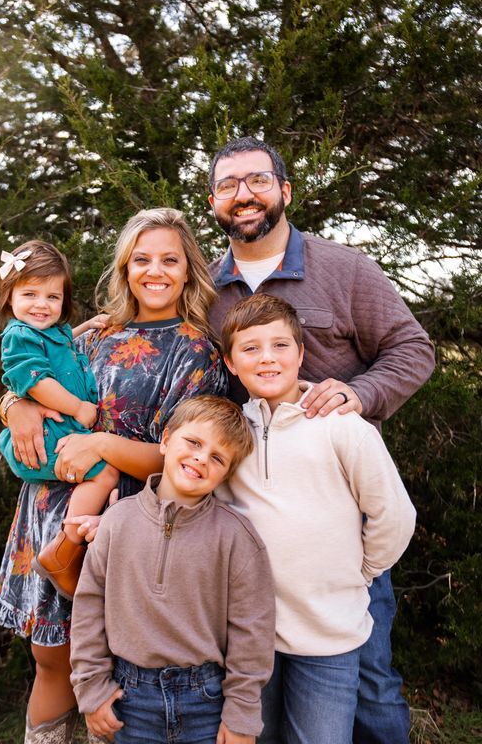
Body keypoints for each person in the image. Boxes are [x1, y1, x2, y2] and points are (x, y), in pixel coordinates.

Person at [207, 136, 435, 744]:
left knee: (367, 683)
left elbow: (413, 350)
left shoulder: (344, 269)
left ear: (284, 192)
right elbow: (147, 329)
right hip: (248, 535)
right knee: (265, 690)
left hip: (341, 520)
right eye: (228, 185)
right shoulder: (204, 288)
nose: (243, 195)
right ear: (213, 202)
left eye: (256, 180)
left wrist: (360, 394)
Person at [0, 208, 227, 744]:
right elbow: (33, 381)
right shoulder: (94, 335)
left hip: (129, 521)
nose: (155, 271)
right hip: (50, 510)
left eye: (170, 259)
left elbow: (182, 462)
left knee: (112, 669)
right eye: (141, 259)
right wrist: (13, 406)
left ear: (189, 268)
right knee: (51, 660)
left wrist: (103, 444)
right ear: (124, 267)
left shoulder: (197, 352)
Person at [216, 293, 416, 744]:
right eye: (250, 349)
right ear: (230, 362)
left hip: (328, 636)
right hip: (253, 638)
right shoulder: (229, 432)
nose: (267, 358)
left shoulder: (341, 426)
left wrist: (362, 570)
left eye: (280, 346)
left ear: (301, 354)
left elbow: (394, 515)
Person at [70, 395, 276, 744]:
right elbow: (89, 607)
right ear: (165, 440)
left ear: (226, 472)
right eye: (193, 442)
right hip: (129, 699)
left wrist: (242, 714)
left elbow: (251, 631)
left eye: (217, 457)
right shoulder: (117, 522)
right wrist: (91, 687)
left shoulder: (236, 537)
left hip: (207, 701)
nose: (200, 458)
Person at [0, 240, 119, 600]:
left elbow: (60, 349)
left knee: (111, 486)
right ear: (10, 297)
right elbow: (37, 381)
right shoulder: (17, 336)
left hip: (59, 434)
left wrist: (85, 327)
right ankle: (64, 549)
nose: (42, 305)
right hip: (46, 437)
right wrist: (77, 408)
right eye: (30, 295)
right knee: (106, 473)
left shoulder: (47, 333)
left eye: (53, 297)